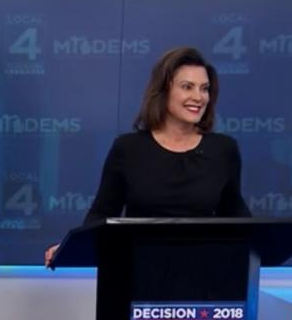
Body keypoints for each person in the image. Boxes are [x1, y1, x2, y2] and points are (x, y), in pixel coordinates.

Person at [45, 46, 250, 267]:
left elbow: (234, 213)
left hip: (203, 276)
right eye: (187, 87)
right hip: (137, 272)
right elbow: (102, 212)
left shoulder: (223, 149)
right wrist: (72, 247)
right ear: (163, 90)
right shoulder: (128, 149)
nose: (198, 97)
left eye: (205, 89)